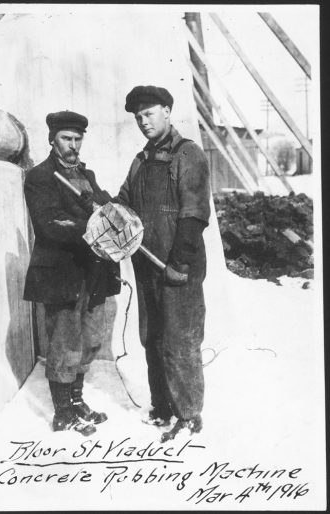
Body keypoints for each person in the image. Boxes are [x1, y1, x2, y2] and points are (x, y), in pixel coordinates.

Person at [117, 86, 211, 441]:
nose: (143, 122)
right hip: (146, 267)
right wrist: (106, 208)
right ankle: (162, 407)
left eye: (149, 113)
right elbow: (125, 202)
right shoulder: (140, 161)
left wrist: (180, 262)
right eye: (138, 116)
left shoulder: (189, 155)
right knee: (151, 338)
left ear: (168, 111)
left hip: (177, 270)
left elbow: (194, 215)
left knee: (180, 341)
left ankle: (188, 416)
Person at [24, 110, 120, 435]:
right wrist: (94, 226)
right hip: (61, 272)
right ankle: (63, 411)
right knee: (65, 340)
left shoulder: (87, 176)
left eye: (78, 139)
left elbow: (108, 209)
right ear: (52, 139)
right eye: (67, 138)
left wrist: (113, 213)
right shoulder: (40, 177)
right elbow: (49, 226)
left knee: (90, 338)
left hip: (92, 272)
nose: (73, 144)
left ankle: (77, 400)